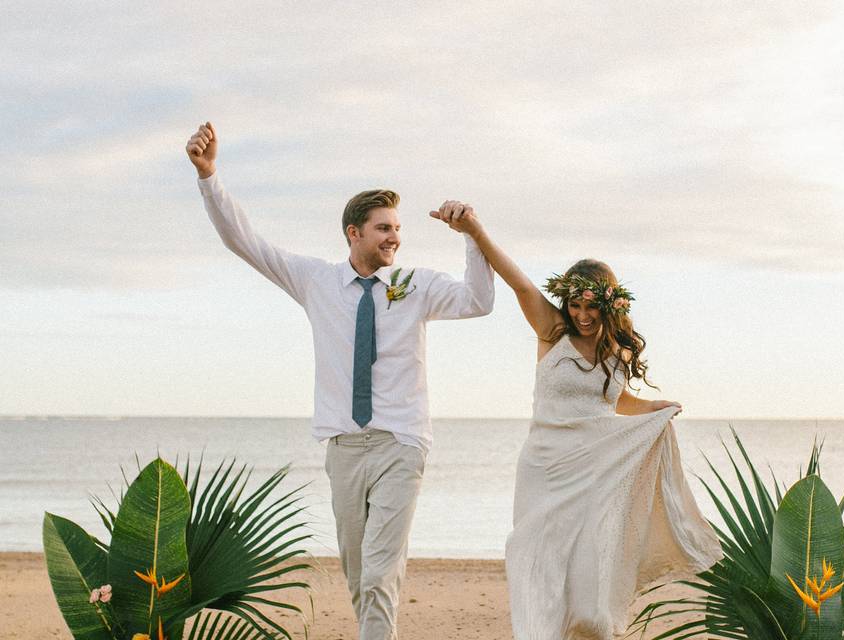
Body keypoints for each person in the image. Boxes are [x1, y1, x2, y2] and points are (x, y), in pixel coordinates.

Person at [186, 122, 495, 640]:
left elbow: (479, 300)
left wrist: (472, 239)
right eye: (383, 228)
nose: (395, 236)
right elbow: (245, 242)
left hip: (401, 442)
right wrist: (209, 176)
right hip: (344, 447)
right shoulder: (315, 281)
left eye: (397, 228)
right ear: (354, 233)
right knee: (358, 576)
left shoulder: (413, 285)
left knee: (377, 573)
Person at [431, 206, 723, 640]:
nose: (582, 315)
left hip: (596, 475)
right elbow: (519, 281)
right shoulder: (552, 331)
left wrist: (655, 408)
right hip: (545, 469)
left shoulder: (618, 353)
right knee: (540, 563)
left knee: (590, 583)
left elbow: (615, 399)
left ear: (610, 305)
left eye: (591, 306)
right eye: (575, 304)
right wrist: (473, 229)